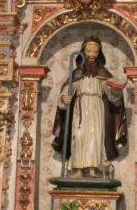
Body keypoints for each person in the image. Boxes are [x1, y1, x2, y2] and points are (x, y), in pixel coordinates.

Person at [52, 37, 127, 178]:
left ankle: (93, 168)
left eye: (95, 52)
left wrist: (115, 89)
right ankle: (78, 169)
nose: (92, 55)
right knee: (78, 136)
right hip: (80, 107)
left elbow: (113, 96)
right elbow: (67, 89)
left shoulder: (103, 73)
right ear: (82, 52)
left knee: (95, 136)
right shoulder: (77, 73)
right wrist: (64, 98)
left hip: (96, 107)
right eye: (88, 51)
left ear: (99, 54)